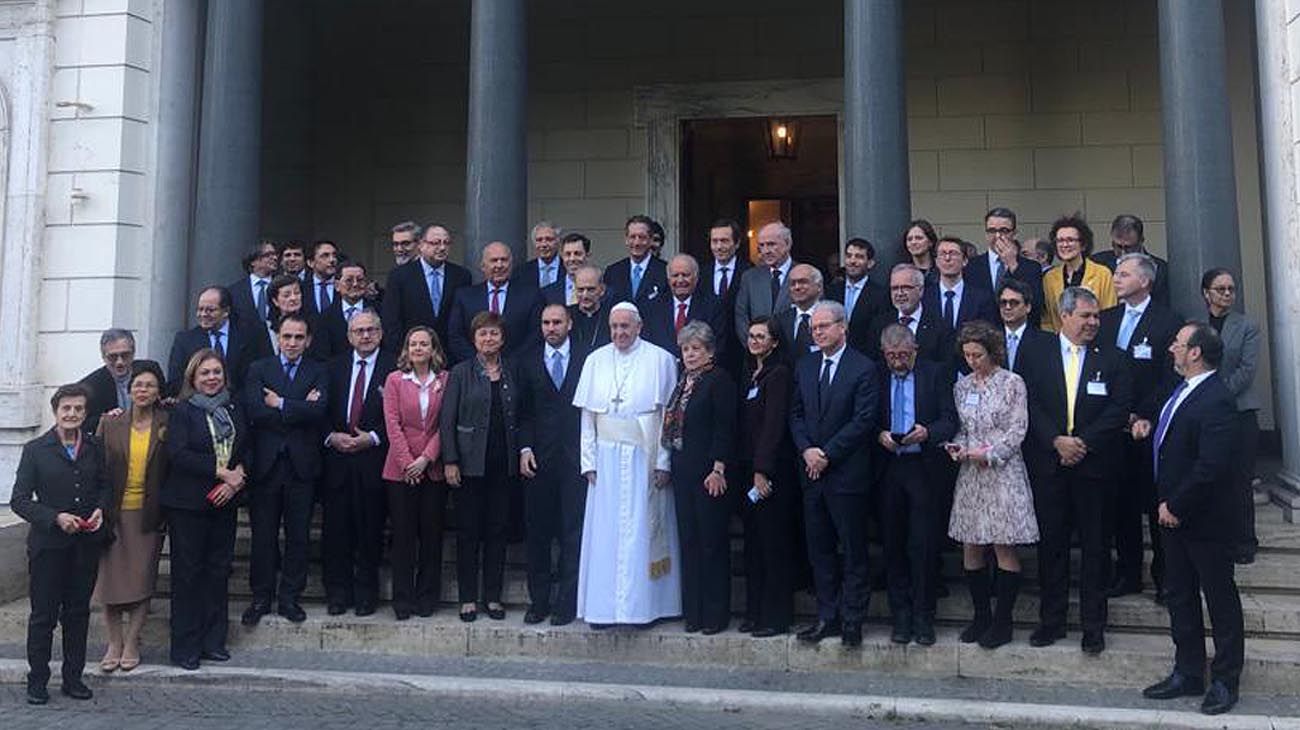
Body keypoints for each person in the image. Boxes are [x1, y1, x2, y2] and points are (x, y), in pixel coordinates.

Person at [1138, 322, 1244, 716]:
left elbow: (1210, 466)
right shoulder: (1181, 391)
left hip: (1203, 518)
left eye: (1178, 343)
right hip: (1172, 515)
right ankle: (1188, 671)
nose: (1171, 348)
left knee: (1219, 599)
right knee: (1179, 595)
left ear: (1196, 352)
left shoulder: (1216, 398)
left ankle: (1225, 679)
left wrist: (1176, 505)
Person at [1020, 287, 1131, 654]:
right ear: (1064, 316)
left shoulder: (1113, 358)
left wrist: (1080, 442)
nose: (1093, 322)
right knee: (1051, 547)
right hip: (1049, 465)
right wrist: (1055, 440)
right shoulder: (1037, 352)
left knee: (1096, 548)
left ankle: (1093, 626)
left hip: (1094, 467)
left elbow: (1118, 408)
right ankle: (1051, 621)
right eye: (1085, 316)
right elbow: (1028, 401)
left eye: (1096, 316)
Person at [573, 302, 681, 625]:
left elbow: (667, 417)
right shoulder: (595, 360)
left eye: (625, 327)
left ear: (639, 326)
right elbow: (587, 417)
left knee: (642, 530)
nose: (619, 333)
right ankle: (604, 609)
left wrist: (664, 462)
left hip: (644, 458)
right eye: (615, 327)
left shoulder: (660, 359)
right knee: (606, 533)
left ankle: (645, 608)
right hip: (605, 459)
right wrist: (588, 461)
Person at [789, 302, 878, 648]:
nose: (818, 332)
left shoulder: (863, 367)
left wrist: (827, 453)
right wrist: (807, 450)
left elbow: (863, 419)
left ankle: (853, 619)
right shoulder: (806, 365)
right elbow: (795, 414)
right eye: (814, 327)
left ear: (843, 327)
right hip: (811, 473)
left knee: (853, 550)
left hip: (846, 473)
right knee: (820, 550)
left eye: (825, 326)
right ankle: (827, 616)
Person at [11, 383, 107, 704]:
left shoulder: (94, 447)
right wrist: (55, 518)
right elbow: (20, 501)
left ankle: (73, 678)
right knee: (44, 616)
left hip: (84, 546)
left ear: (85, 413)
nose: (72, 414)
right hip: (49, 546)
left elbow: (106, 487)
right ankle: (37, 680)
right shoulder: (36, 449)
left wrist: (99, 511)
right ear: (56, 411)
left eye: (78, 409)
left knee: (78, 614)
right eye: (66, 408)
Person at [946, 322, 1038, 650]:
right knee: (971, 545)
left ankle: (1004, 620)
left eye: (978, 355)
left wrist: (990, 453)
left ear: (992, 351)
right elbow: (962, 428)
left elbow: (1018, 429)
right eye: (967, 355)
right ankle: (981, 615)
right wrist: (956, 447)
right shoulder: (963, 387)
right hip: (971, 473)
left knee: (1002, 544)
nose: (972, 361)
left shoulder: (1012, 383)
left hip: (1002, 471)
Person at [1099, 254, 1181, 601]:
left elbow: (1169, 379)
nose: (1115, 279)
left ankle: (1165, 576)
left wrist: (1142, 414)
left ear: (1145, 281)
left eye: (1123, 274)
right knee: (1121, 506)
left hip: (1149, 428)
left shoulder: (1167, 321)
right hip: (1112, 429)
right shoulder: (1105, 320)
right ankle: (1128, 572)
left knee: (1153, 503)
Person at [241, 314, 329, 626]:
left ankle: (290, 597)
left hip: (301, 466)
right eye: (287, 337)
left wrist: (280, 403)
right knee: (263, 536)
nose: (292, 343)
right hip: (266, 466)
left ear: (308, 340)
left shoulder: (318, 369)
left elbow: (320, 412)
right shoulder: (258, 368)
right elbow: (255, 412)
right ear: (278, 337)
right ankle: (261, 596)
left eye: (299, 337)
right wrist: (298, 407)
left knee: (298, 536)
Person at [162, 350, 247, 670]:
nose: (211, 378)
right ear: (193, 379)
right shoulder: (183, 411)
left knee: (217, 573)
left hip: (224, 502)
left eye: (216, 372)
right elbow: (179, 454)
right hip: (188, 505)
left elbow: (245, 448)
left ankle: (214, 641)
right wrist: (220, 472)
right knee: (188, 576)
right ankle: (185, 646)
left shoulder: (234, 408)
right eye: (204, 374)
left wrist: (235, 481)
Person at [875, 324, 957, 646]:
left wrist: (928, 432)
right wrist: (879, 434)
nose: (898, 362)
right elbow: (864, 414)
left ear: (916, 351)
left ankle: (924, 616)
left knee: (922, 545)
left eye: (904, 356)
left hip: (922, 466)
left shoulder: (935, 374)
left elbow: (950, 419)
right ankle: (901, 617)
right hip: (889, 467)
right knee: (892, 544)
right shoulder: (876, 375)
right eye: (892, 356)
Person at [442, 312, 520, 622]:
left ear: (503, 338)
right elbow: (446, 420)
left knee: (497, 532)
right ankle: (467, 598)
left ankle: (493, 596)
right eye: (482, 334)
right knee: (468, 533)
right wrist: (450, 459)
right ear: (474, 340)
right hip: (469, 465)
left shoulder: (513, 370)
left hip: (503, 465)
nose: (489, 339)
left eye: (494, 334)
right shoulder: (460, 372)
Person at [92, 362, 168, 673]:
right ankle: (113, 642)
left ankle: (133, 641)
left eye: (149, 386)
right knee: (110, 582)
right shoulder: (110, 423)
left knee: (141, 580)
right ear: (129, 389)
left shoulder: (168, 423)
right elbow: (94, 467)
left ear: (158, 392)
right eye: (138, 385)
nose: (143, 390)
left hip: (148, 514)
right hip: (114, 513)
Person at [518, 304, 590, 626]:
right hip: (539, 461)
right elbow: (522, 413)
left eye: (557, 322)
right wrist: (524, 448)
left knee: (572, 534)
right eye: (546, 322)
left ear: (569, 323)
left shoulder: (589, 358)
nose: (551, 328)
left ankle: (567, 602)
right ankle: (539, 601)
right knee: (538, 534)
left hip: (576, 461)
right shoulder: (528, 360)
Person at [663, 321, 736, 634]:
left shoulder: (718, 380)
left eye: (696, 349)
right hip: (683, 471)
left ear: (710, 352)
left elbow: (725, 427)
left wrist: (718, 467)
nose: (690, 354)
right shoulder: (683, 382)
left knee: (712, 544)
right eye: (686, 348)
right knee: (689, 542)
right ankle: (693, 612)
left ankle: (715, 614)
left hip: (709, 473)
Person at [322, 310, 396, 617]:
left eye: (370, 330)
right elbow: (320, 407)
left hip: (373, 459)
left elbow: (399, 413)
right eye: (358, 331)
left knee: (370, 531)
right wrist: (330, 436)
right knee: (336, 532)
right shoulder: (333, 367)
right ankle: (338, 593)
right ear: (349, 335)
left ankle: (366, 594)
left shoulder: (395, 366)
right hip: (337, 459)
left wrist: (375, 437)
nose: (365, 336)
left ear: (380, 332)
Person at [381, 325, 451, 620]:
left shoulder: (446, 380)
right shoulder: (395, 380)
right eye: (413, 344)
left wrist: (426, 458)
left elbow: (445, 423)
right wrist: (408, 461)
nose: (418, 349)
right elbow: (392, 423)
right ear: (406, 351)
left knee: (432, 536)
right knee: (404, 537)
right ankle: (403, 599)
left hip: (432, 468)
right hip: (400, 470)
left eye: (424, 344)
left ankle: (427, 597)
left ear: (434, 349)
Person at [737, 317, 798, 637]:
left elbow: (773, 426)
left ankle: (776, 616)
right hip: (748, 470)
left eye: (762, 336)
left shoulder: (779, 375)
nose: (755, 341)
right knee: (753, 547)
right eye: (751, 336)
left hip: (771, 472)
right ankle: (754, 611)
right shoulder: (750, 374)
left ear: (775, 341)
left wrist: (762, 470)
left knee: (773, 545)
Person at [1201, 268, 1263, 565]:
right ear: (1206, 293)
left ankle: (1244, 541)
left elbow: (1247, 370)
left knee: (1239, 480)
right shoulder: (1194, 325)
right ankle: (1218, 536)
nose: (1227, 294)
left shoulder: (1247, 325)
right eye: (1220, 289)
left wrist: (1215, 395)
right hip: (1203, 415)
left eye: (1231, 289)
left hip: (1239, 411)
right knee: (1211, 478)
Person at [381, 223, 473, 354]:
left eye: (446, 243)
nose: (442, 248)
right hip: (412, 356)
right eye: (435, 243)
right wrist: (402, 354)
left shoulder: (461, 276)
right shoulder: (400, 276)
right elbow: (391, 321)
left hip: (451, 357)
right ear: (421, 245)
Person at [447, 241, 541, 363]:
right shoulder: (465, 296)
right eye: (494, 260)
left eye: (504, 260)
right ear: (483, 266)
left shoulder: (531, 295)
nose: (499, 265)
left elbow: (535, 335)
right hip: (475, 370)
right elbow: (456, 336)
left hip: (518, 370)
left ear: (511, 264)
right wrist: (479, 362)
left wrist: (509, 363)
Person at [167, 286, 257, 394]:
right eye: (200, 309)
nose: (203, 314)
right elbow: (176, 381)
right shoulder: (185, 340)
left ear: (226, 311)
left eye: (210, 310)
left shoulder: (250, 335)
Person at [965, 207, 1045, 326]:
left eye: (1004, 230)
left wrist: (1013, 265)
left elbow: (1036, 305)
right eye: (992, 230)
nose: (997, 236)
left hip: (1020, 334)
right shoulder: (971, 266)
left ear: (1014, 234)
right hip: (984, 336)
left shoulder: (1031, 267)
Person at [642, 253, 728, 360]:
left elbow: (717, 347)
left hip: (699, 373)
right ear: (668, 279)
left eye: (685, 275)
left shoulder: (713, 306)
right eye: (675, 275)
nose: (680, 280)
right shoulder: (653, 308)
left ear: (696, 278)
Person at [1040, 214, 1117, 333]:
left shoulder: (1102, 274)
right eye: (1060, 240)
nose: (1064, 245)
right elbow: (1048, 319)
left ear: (1083, 245)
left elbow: (1109, 314)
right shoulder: (1049, 278)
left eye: (1070, 240)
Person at [79, 328, 161, 434]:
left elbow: (164, 398)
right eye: (113, 357)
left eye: (125, 355)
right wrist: (106, 419)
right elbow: (83, 422)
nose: (119, 362)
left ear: (133, 353)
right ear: (103, 357)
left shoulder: (151, 369)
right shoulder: (90, 385)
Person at [867, 263, 951, 364]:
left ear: (920, 290)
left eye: (905, 287)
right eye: (894, 288)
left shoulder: (940, 326)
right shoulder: (879, 324)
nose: (899, 293)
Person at [734, 222, 795, 345]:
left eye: (771, 244)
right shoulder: (750, 277)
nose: (766, 251)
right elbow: (741, 315)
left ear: (787, 244)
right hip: (759, 357)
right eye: (762, 245)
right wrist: (753, 344)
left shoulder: (803, 274)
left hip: (793, 353)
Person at [827, 238, 889, 355]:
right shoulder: (832, 291)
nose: (852, 261)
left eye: (859, 257)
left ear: (870, 263)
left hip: (866, 358)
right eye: (849, 256)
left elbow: (878, 333)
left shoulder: (880, 295)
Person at [1092, 214, 1170, 307]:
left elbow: (1162, 306)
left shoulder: (1160, 269)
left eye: (1129, 248)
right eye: (1118, 246)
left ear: (1141, 241)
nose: (1123, 253)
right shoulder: (1097, 263)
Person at [925, 237, 997, 332]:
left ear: (965, 261)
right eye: (942, 254)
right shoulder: (925, 296)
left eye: (953, 253)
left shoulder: (982, 298)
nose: (947, 258)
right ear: (936, 261)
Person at [604, 215, 670, 307]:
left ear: (650, 240)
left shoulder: (665, 271)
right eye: (632, 237)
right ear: (626, 240)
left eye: (642, 237)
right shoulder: (613, 272)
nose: (637, 243)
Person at [997, 278, 1053, 376]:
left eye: (1014, 302)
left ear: (1028, 307)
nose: (1008, 307)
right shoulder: (990, 339)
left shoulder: (1046, 342)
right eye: (1003, 302)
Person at [775, 263, 826, 359]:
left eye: (803, 282)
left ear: (819, 286)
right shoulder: (781, 319)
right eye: (792, 283)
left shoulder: (831, 316)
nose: (797, 287)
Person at [229, 240, 279, 327]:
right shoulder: (235, 291)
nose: (274, 258)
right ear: (253, 261)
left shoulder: (282, 286)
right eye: (268, 255)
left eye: (275, 254)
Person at [541, 232, 591, 307]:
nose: (572, 259)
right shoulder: (547, 293)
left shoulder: (602, 291)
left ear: (587, 256)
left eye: (577, 254)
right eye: (568, 254)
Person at [568, 264, 611, 350]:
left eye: (590, 289)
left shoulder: (612, 316)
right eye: (580, 290)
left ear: (602, 290)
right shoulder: (566, 315)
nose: (585, 295)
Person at [517, 220, 563, 290]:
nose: (544, 244)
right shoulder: (521, 272)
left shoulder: (568, 269)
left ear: (558, 242)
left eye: (549, 239)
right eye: (539, 240)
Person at [302, 240, 339, 318]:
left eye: (334, 255)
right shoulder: (302, 288)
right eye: (325, 256)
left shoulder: (344, 286)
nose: (332, 260)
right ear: (311, 263)